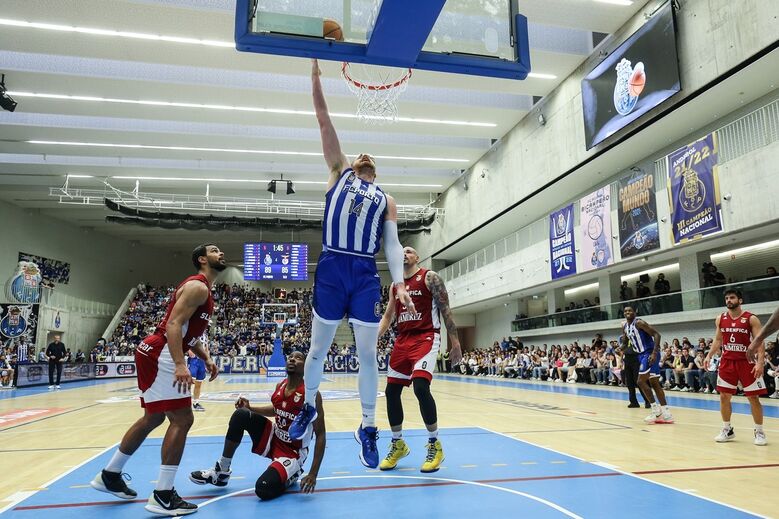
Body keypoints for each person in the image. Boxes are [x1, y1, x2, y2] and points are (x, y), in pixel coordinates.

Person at [288, 59, 414, 470]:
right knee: (318, 348)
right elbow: (323, 120)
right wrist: (314, 82)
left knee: (366, 352)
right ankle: (307, 406)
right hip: (331, 266)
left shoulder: (386, 199)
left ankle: (368, 426)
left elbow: (393, 245)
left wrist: (398, 283)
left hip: (363, 271)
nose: (364, 157)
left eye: (370, 159)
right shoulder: (338, 172)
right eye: (360, 155)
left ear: (376, 172)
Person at [90, 244, 224, 515]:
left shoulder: (202, 289)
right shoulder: (198, 287)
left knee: (153, 417)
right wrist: (179, 363)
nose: (220, 253)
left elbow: (188, 332)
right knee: (183, 419)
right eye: (214, 250)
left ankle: (110, 474)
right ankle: (163, 494)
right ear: (202, 259)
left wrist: (206, 357)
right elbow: (174, 325)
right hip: (162, 351)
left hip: (154, 349)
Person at [190, 351, 326, 500]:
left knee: (263, 488)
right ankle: (222, 471)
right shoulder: (280, 385)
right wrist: (251, 408)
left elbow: (321, 435)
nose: (292, 359)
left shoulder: (311, 395)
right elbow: (277, 410)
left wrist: (313, 473)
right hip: (274, 437)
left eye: (298, 358)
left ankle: (293, 474)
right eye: (290, 357)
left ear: (305, 366)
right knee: (241, 414)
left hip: (293, 452)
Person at [375, 247, 462, 473]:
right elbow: (387, 317)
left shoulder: (430, 277)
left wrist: (455, 344)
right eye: (401, 250)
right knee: (392, 392)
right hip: (403, 340)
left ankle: (435, 444)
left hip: (426, 337)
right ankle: (398, 444)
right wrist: (373, 339)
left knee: (421, 387)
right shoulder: (396, 285)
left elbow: (446, 311)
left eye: (409, 251)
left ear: (417, 258)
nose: (404, 253)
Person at [707, 289, 767, 445]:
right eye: (726, 298)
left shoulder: (751, 318)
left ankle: (759, 431)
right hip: (727, 362)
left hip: (747, 362)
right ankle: (727, 429)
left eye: (732, 298)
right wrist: (708, 355)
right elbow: (718, 340)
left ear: (740, 300)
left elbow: (760, 340)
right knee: (723, 396)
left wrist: (760, 362)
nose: (728, 300)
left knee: (753, 397)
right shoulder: (720, 318)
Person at [621, 306, 673, 424]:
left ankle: (656, 410)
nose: (627, 312)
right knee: (654, 383)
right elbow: (625, 342)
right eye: (625, 311)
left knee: (640, 381)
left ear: (635, 312)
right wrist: (620, 348)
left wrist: (654, 352)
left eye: (630, 310)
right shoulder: (625, 326)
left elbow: (656, 335)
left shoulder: (639, 323)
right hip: (640, 355)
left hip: (649, 353)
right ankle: (666, 413)